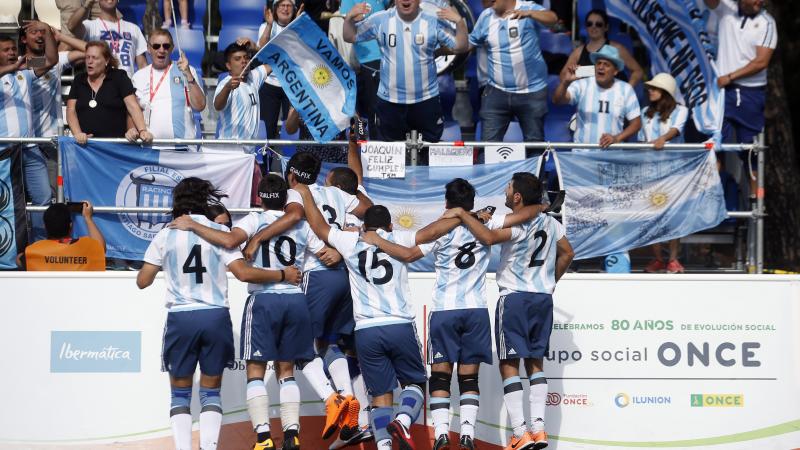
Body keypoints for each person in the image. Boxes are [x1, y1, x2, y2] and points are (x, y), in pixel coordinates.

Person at [358, 178, 541, 450]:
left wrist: (374, 240)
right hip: (475, 310)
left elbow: (409, 255)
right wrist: (469, 215)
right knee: (469, 379)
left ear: (446, 203)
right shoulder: (485, 223)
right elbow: (529, 212)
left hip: (444, 310)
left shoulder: (439, 231)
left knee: (441, 377)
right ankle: (467, 435)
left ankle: (442, 434)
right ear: (471, 203)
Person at [168, 174, 336, 450]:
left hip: (264, 299)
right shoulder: (301, 225)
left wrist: (194, 227)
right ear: (286, 199)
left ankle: (263, 437)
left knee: (255, 372)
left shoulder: (252, 220)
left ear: (259, 198)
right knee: (286, 370)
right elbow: (327, 254)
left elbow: (229, 241)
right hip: (295, 300)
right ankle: (292, 434)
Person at [136, 177, 302, 450]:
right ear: (205, 201)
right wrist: (282, 274)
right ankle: (210, 447)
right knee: (211, 391)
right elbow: (243, 273)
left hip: (182, 316)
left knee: (180, 394)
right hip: (215, 316)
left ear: (177, 202)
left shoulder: (166, 234)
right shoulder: (219, 232)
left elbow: (143, 281)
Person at [297, 186, 460, 450]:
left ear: (365, 225)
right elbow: (433, 231)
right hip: (399, 324)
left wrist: (305, 195)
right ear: (390, 224)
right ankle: (404, 420)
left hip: (366, 330)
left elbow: (318, 227)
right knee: (415, 383)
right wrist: (461, 215)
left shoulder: (350, 241)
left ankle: (384, 446)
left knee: (379, 398)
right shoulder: (401, 238)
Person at [242, 151, 372, 443]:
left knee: (303, 351)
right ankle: (350, 402)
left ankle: (334, 398)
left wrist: (259, 237)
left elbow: (297, 215)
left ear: (292, 176)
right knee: (330, 343)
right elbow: (369, 208)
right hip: (344, 275)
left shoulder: (295, 195)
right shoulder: (337, 192)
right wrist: (345, 242)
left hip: (316, 275)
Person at [443, 173, 574, 450]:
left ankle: (520, 433)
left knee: (509, 364)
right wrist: (549, 282)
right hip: (542, 298)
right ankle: (539, 430)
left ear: (516, 197)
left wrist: (463, 215)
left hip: (514, 297)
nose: (504, 191)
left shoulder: (516, 223)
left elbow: (488, 237)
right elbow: (568, 254)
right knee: (536, 363)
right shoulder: (552, 223)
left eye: (508, 187)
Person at [343, 0, 469, 145]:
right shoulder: (380, 20)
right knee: (392, 154)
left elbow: (461, 46)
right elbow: (349, 36)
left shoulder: (433, 22)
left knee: (427, 151)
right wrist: (349, 19)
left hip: (426, 101)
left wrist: (459, 22)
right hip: (390, 102)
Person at [704, 0, 776, 200]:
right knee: (715, 139)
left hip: (749, 93)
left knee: (750, 147)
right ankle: (711, 193)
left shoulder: (766, 23)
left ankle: (756, 196)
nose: (758, 1)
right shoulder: (727, 10)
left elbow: (761, 62)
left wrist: (731, 76)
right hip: (722, 91)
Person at [465, 0, 558, 148]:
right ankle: (488, 172)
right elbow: (468, 44)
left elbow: (552, 19)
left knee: (534, 148)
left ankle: (534, 172)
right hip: (496, 92)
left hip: (531, 92)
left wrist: (529, 14)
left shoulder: (527, 8)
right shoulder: (486, 16)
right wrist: (446, 45)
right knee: (487, 148)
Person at [22, 23, 86, 202]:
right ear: (23, 38)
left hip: (51, 143)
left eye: (43, 32)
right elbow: (48, 60)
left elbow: (93, 51)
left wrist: (60, 37)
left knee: (53, 198)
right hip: (25, 143)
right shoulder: (19, 63)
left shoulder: (58, 59)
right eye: (34, 32)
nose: (40, 36)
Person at [638, 73, 689, 274]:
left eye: (655, 88)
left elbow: (676, 130)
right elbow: (642, 139)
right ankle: (658, 258)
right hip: (649, 172)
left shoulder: (681, 110)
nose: (650, 91)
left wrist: (662, 139)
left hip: (673, 173)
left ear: (666, 92)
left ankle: (673, 259)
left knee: (673, 215)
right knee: (652, 216)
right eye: (650, 88)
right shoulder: (645, 112)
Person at [66, 41, 154, 144]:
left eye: (95, 58)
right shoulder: (79, 80)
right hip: (87, 147)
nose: (90, 61)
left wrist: (142, 130)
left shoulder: (119, 77)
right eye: (87, 57)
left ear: (106, 60)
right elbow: (70, 110)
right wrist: (77, 133)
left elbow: (132, 106)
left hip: (115, 146)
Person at [553, 44, 641, 147]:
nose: (601, 67)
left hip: (612, 157)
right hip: (582, 157)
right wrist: (565, 82)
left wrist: (617, 138)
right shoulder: (582, 84)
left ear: (615, 71)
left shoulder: (626, 89)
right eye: (598, 63)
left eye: (606, 64)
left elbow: (636, 124)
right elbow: (557, 100)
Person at [132, 29, 205, 142]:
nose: (161, 50)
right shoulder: (138, 76)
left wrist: (189, 75)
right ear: (148, 48)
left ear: (172, 48)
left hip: (183, 149)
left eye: (166, 46)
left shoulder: (187, 70)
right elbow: (132, 111)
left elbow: (200, 106)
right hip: (151, 148)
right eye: (156, 46)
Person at [339, 0, 390, 139]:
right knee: (375, 111)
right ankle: (377, 152)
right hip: (370, 60)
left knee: (393, 109)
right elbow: (347, 25)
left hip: (392, 57)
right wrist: (352, 17)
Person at [559, 9, 644, 87]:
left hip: (614, 99)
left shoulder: (617, 48)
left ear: (606, 27)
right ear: (586, 27)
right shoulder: (578, 52)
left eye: (598, 24)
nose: (593, 27)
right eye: (589, 24)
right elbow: (563, 75)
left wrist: (627, 90)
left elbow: (638, 71)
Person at [67, 0, 148, 77]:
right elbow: (71, 26)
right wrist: (86, 5)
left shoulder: (134, 28)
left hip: (127, 85)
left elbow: (142, 65)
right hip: (101, 85)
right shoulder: (91, 26)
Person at [214, 39, 272, 147]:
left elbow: (274, 61)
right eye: (237, 59)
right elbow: (217, 105)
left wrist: (255, 48)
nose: (243, 61)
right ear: (228, 65)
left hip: (248, 152)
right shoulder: (225, 84)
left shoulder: (253, 77)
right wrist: (227, 88)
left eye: (246, 57)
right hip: (230, 151)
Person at [257, 0, 299, 139]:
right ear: (275, 8)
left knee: (292, 130)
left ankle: (291, 160)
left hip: (292, 85)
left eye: (289, 6)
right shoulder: (265, 26)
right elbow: (262, 50)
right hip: (270, 83)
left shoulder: (300, 28)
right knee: (268, 128)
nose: (285, 9)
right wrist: (269, 25)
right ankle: (265, 160)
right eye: (282, 5)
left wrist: (298, 26)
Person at [21, 202, 106, 271]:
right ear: (71, 226)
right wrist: (88, 218)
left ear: (45, 227)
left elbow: (19, 260)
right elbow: (101, 247)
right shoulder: (89, 248)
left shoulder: (33, 252)